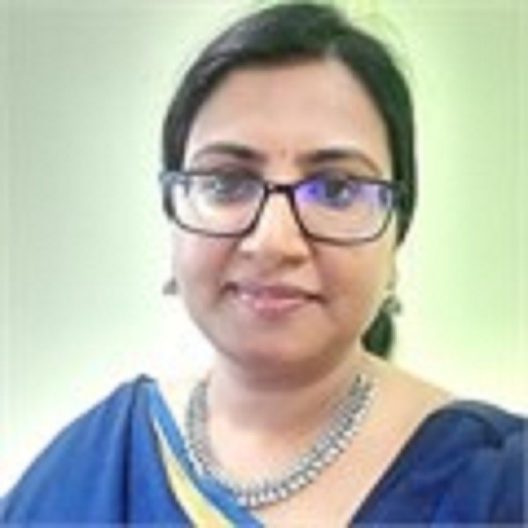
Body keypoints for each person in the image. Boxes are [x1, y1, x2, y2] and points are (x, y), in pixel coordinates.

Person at [1, 2, 524, 525]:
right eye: (226, 182)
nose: (273, 242)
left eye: (336, 189)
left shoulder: (497, 485)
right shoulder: (90, 471)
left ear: (397, 237)